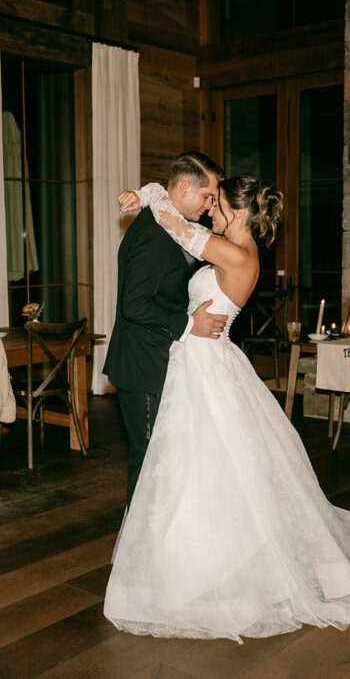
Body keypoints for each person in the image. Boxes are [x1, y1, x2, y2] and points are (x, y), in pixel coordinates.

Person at [103, 177, 350, 642]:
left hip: (205, 366)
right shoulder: (230, 247)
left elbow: (168, 220)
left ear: (240, 213)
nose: (209, 212)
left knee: (205, 466)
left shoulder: (236, 254)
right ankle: (185, 557)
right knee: (195, 465)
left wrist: (151, 191)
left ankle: (210, 567)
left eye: (217, 205)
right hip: (198, 362)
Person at [102, 151, 228, 507]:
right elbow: (135, 304)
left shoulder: (166, 220)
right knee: (148, 461)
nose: (208, 206)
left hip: (158, 358)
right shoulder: (154, 235)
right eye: (207, 197)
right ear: (185, 187)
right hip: (142, 364)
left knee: (162, 457)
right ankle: (138, 551)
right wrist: (190, 323)